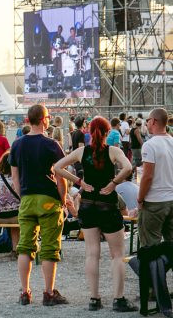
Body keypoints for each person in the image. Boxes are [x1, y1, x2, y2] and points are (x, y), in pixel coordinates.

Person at [54, 116, 137, 312]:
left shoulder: (82, 151)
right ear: (108, 132)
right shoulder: (113, 151)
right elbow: (127, 167)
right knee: (117, 255)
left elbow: (57, 167)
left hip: (88, 204)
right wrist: (114, 183)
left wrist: (79, 182)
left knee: (92, 253)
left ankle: (94, 299)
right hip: (107, 203)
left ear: (89, 132)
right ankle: (118, 299)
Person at [10, 104, 68, 307]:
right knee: (50, 247)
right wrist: (63, 199)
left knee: (25, 247)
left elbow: (15, 177)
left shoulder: (17, 144)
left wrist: (22, 196)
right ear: (44, 119)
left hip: (26, 199)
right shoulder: (51, 144)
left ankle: (25, 292)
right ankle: (49, 293)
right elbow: (61, 177)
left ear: (28, 120)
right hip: (48, 199)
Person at [138, 108, 173, 247]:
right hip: (171, 198)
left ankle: (153, 269)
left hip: (154, 201)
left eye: (147, 121)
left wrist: (140, 198)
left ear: (153, 121)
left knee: (150, 246)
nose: (146, 124)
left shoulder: (149, 145)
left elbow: (147, 176)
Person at [0, 151, 20, 256]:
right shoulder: (18, 178)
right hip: (15, 214)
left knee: (13, 224)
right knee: (18, 219)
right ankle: (18, 249)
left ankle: (14, 249)